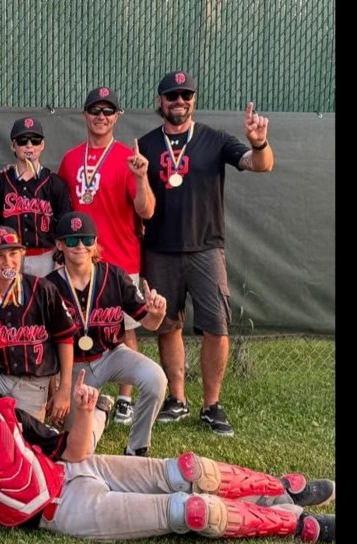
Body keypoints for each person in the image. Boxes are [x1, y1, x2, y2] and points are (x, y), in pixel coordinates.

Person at [0, 357, 334, 544]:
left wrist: (85, 413)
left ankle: (281, 490)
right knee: (190, 511)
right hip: (62, 511)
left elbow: (72, 450)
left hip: (77, 471)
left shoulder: (5, 412)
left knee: (190, 470)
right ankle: (295, 524)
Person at [136, 71, 275, 437]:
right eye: (172, 96)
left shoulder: (215, 140)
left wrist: (259, 143)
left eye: (186, 95)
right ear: (160, 101)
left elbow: (260, 165)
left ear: (193, 99)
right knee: (168, 326)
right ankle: (177, 400)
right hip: (160, 249)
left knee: (217, 325)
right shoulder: (146, 145)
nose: (179, 102)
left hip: (206, 248)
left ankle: (211, 405)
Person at [56, 87, 156, 427]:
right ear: (85, 115)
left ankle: (126, 399)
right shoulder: (70, 159)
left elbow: (147, 209)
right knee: (75, 327)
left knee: (124, 330)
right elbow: (65, 211)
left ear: (117, 117)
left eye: (108, 111)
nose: (101, 116)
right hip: (78, 260)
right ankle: (85, 390)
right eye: (95, 110)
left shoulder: (130, 159)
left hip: (120, 258)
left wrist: (142, 177)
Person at [46, 212, 168, 456]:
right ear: (60, 244)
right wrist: (58, 389)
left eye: (87, 239)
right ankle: (101, 411)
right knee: (80, 450)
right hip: (73, 368)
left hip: (112, 354)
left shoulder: (114, 276)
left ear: (95, 243)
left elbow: (151, 323)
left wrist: (158, 313)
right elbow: (48, 348)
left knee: (156, 379)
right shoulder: (48, 286)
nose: (80, 246)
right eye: (72, 241)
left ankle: (137, 448)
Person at [0, 226, 77, 422]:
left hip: (33, 382)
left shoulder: (43, 289)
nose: (8, 262)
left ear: (22, 254)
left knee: (27, 438)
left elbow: (65, 337)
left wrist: (64, 389)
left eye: (13, 253)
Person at [0, 116, 71, 277]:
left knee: (44, 301)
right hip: (10, 256)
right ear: (13, 145)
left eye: (35, 140)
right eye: (22, 141)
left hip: (45, 257)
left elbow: (64, 228)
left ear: (42, 145)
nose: (29, 145)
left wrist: (59, 262)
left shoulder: (54, 183)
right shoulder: (1, 181)